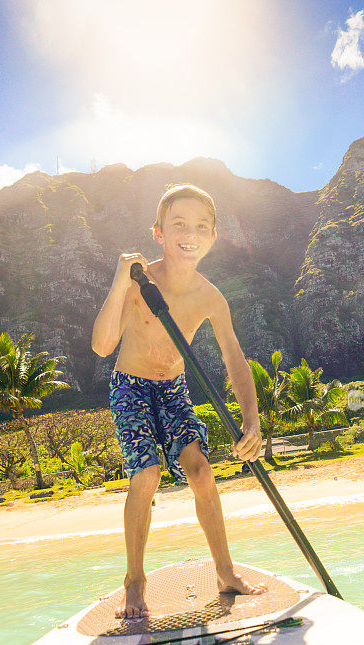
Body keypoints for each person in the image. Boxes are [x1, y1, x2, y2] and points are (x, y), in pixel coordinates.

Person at [92, 184, 267, 618]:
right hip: (130, 386)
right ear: (159, 233)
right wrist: (120, 281)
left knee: (202, 470)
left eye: (201, 227)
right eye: (179, 224)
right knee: (147, 475)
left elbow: (234, 358)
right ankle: (134, 581)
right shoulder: (138, 282)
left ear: (212, 237)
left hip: (173, 389)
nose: (190, 233)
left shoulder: (210, 296)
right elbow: (101, 346)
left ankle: (225, 571)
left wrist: (252, 422)